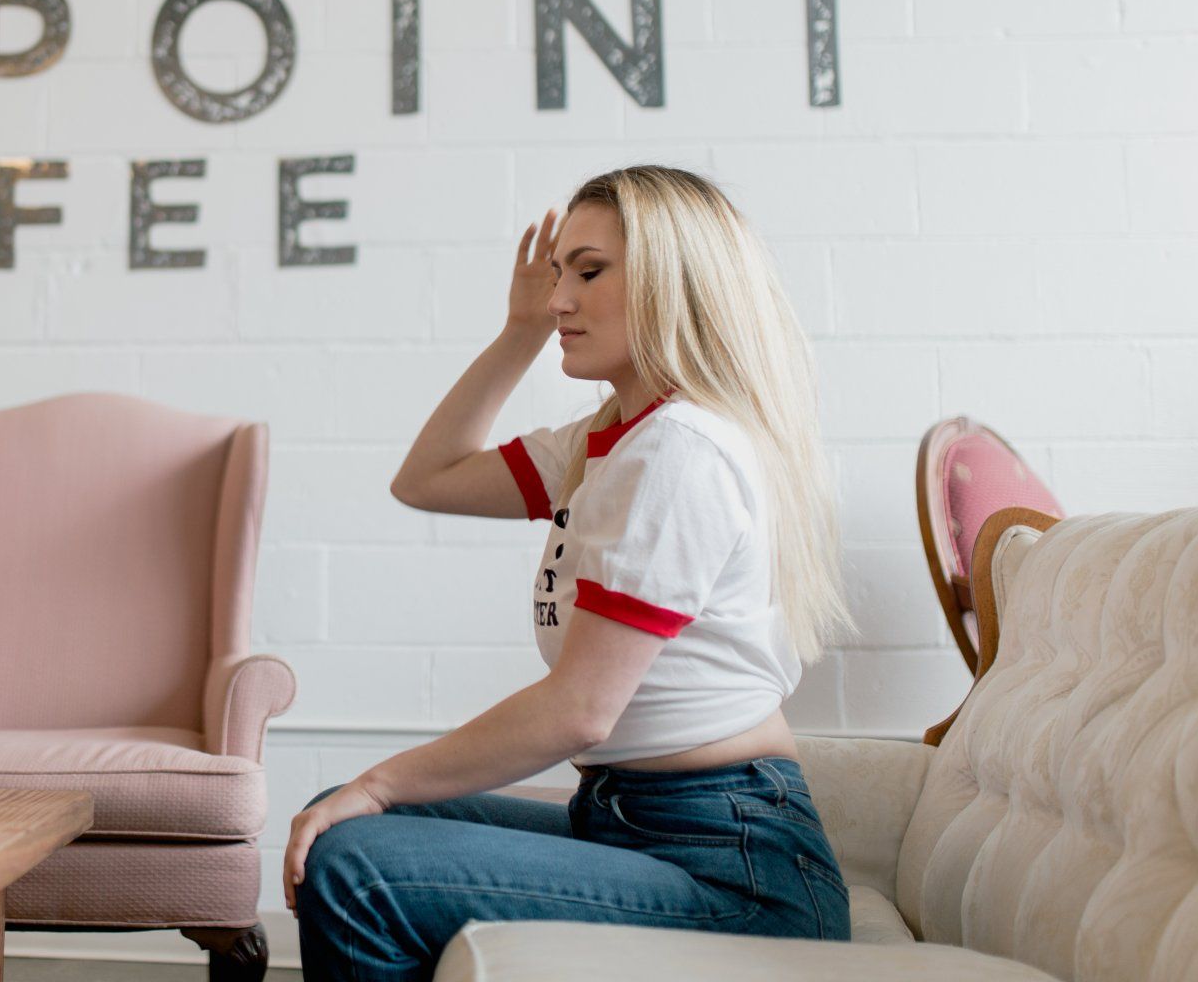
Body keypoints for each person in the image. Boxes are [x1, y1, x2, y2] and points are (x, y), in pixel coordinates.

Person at [286, 165, 856, 981]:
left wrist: (380, 782)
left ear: (672, 281)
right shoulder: (609, 440)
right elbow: (429, 477)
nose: (560, 299)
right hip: (633, 822)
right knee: (334, 821)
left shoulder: (679, 451)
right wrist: (519, 332)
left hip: (736, 871)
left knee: (357, 865)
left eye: (589, 272)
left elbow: (581, 711)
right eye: (559, 274)